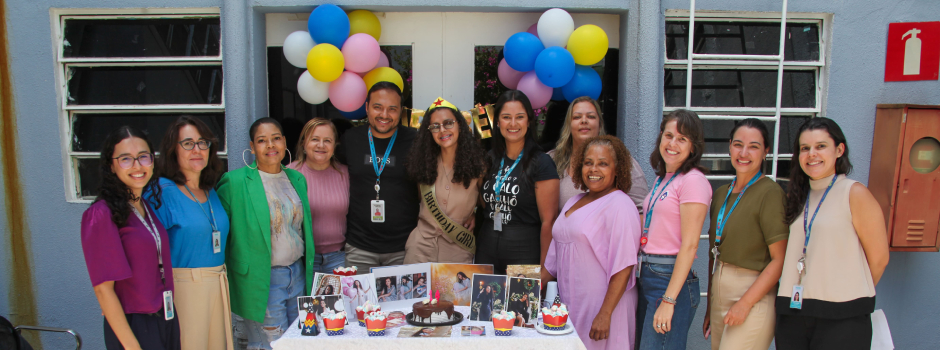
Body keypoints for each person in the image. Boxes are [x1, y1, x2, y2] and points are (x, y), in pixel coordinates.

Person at [775, 117, 889, 349]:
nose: (812, 154)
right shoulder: (797, 196)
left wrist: (849, 292)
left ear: (839, 150)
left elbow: (879, 259)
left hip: (842, 317)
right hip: (793, 312)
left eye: (820, 146)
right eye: (804, 148)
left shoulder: (854, 193)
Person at [217, 118, 315, 350]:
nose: (270, 145)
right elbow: (221, 232)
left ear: (284, 142)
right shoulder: (235, 182)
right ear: (252, 147)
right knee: (269, 345)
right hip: (263, 279)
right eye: (262, 141)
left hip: (297, 274)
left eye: (276, 139)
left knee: (298, 342)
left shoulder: (296, 178)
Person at [80, 126, 180, 350]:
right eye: (126, 159)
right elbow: (103, 289)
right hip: (134, 324)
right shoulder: (101, 214)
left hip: (165, 315)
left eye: (143, 157)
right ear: (112, 165)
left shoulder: (145, 206)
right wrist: (132, 346)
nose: (137, 166)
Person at [544, 135, 642, 349]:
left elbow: (624, 266)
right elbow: (553, 261)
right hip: (574, 304)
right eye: (588, 163)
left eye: (603, 164)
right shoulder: (573, 201)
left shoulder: (621, 205)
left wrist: (605, 314)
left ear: (618, 169)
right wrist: (524, 289)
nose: (593, 169)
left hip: (605, 307)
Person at [145, 116, 232, 350]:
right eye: (188, 143)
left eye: (203, 143)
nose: (197, 150)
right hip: (184, 288)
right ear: (173, 149)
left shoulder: (210, 189)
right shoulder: (161, 192)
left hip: (217, 282)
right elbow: (145, 249)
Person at [703, 119, 788, 350]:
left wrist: (745, 303)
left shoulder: (770, 193)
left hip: (753, 293)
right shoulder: (721, 194)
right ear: (729, 146)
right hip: (720, 288)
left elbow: (779, 259)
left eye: (754, 146)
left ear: (765, 152)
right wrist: (711, 304)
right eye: (738, 144)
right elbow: (714, 254)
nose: (744, 152)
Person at [635, 109, 712, 350]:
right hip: (648, 274)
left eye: (682, 139)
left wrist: (669, 300)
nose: (673, 144)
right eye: (669, 135)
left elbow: (689, 246)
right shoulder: (663, 178)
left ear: (693, 146)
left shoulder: (693, 181)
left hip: (668, 279)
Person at [336, 82, 419, 272]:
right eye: (377, 107)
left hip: (404, 249)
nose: (384, 115)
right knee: (359, 302)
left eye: (392, 109)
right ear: (366, 108)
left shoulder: (416, 140)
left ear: (401, 111)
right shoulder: (351, 139)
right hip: (359, 248)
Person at [477, 90, 560, 274]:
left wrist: (545, 271)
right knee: (485, 303)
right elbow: (483, 202)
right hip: (487, 248)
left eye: (519, 117)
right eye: (506, 117)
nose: (513, 124)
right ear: (497, 122)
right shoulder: (489, 159)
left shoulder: (542, 163)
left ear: (529, 121)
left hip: (524, 251)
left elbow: (549, 222)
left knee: (519, 304)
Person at [404, 98, 486, 264]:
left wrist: (474, 214)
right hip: (420, 249)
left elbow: (484, 203)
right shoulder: (423, 164)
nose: (442, 130)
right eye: (435, 126)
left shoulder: (479, 166)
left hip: (458, 250)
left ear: (460, 125)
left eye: (448, 123)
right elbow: (420, 199)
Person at [549, 96, 649, 213]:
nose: (584, 121)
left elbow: (642, 211)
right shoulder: (552, 160)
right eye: (577, 117)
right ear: (569, 126)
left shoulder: (620, 159)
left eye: (590, 116)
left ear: (600, 124)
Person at [288, 118, 349, 274]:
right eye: (315, 139)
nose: (321, 145)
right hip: (302, 259)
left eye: (327, 140)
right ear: (303, 143)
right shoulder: (289, 174)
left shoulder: (345, 174)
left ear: (335, 146)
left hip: (339, 258)